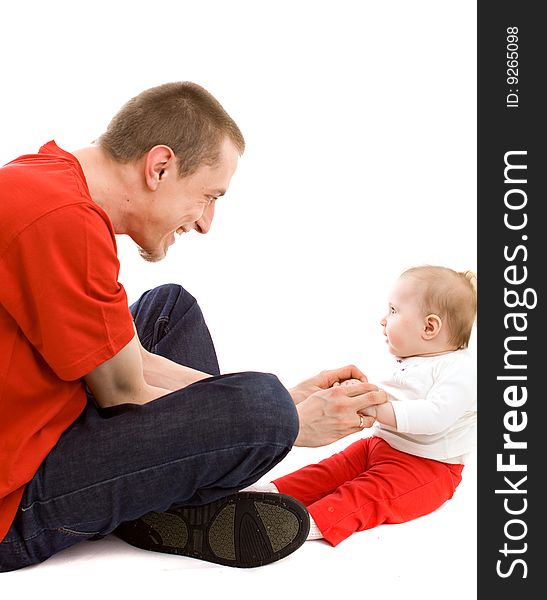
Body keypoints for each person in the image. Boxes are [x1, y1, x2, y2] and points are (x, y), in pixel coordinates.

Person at [0, 81, 385, 571]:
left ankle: (151, 500)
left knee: (169, 310)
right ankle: (163, 501)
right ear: (159, 166)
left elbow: (131, 363)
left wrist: (285, 400)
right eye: (208, 196)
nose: (205, 222)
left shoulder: (46, 179)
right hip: (13, 507)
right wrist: (289, 426)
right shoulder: (63, 221)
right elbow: (126, 393)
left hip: (34, 424)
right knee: (261, 410)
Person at [246, 265, 477, 546]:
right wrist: (356, 395)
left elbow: (435, 417)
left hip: (427, 468)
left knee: (367, 495)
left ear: (429, 327)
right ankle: (261, 495)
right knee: (329, 470)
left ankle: (301, 525)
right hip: (381, 446)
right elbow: (399, 399)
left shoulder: (462, 370)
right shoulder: (417, 359)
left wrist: (377, 409)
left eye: (394, 311)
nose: (383, 319)